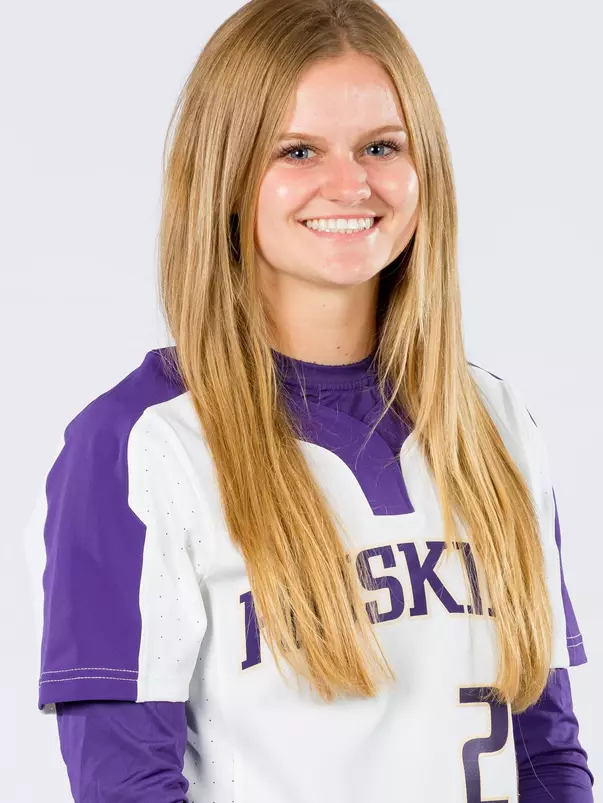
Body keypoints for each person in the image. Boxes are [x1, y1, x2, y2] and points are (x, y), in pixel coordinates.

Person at [23, 0, 594, 800]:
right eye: (297, 150)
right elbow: (125, 782)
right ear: (225, 176)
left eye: (380, 146)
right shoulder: (139, 444)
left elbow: (545, 755)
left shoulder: (493, 422)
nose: (350, 184)